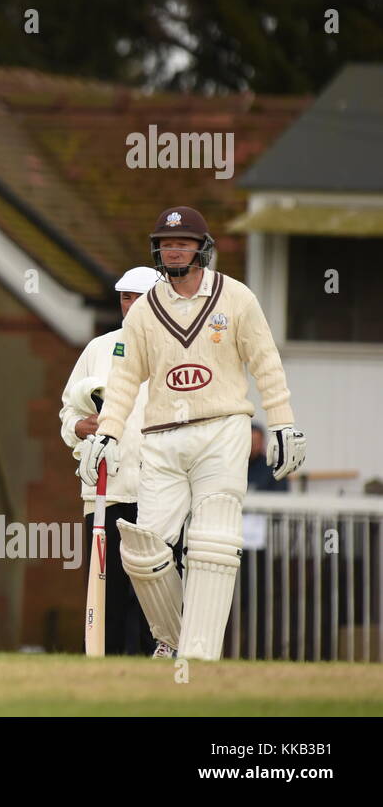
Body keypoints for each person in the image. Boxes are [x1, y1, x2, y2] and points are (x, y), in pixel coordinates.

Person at [79, 207, 307, 660]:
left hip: (223, 428)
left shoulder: (236, 299)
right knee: (143, 551)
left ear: (201, 248)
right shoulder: (144, 310)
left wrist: (282, 422)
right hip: (160, 436)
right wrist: (106, 433)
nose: (173, 250)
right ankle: (173, 638)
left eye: (182, 242)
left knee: (212, 543)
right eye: (166, 243)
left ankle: (198, 656)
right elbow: (125, 379)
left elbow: (265, 361)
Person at [60, 266, 159, 655]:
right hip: (106, 494)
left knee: (153, 598)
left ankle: (157, 682)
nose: (131, 305)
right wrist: (79, 427)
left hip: (160, 495)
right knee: (108, 598)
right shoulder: (99, 349)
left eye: (140, 297)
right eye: (125, 297)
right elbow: (69, 412)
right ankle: (109, 673)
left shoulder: (177, 351)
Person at [247, 422, 284, 492]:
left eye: (256, 442)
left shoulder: (275, 469)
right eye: (250, 442)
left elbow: (282, 497)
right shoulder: (233, 466)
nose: (252, 446)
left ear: (262, 443)